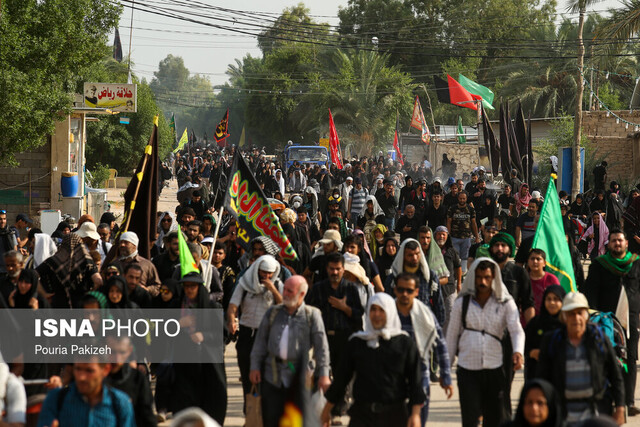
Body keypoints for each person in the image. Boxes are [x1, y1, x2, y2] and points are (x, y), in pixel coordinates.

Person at [321, 293, 425, 427]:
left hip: (395, 416)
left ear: (390, 312)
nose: (376, 314)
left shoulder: (405, 343)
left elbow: (415, 382)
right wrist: (326, 411)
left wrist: (415, 414)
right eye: (373, 309)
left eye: (381, 310)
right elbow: (341, 380)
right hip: (362, 416)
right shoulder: (357, 342)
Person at [446, 258, 525, 427]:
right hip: (468, 370)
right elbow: (452, 336)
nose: (482, 282)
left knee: (495, 418)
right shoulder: (462, 303)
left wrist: (518, 352)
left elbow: (516, 330)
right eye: (479, 277)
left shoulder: (505, 303)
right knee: (470, 418)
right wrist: (446, 370)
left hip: (495, 369)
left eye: (487, 277)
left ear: (494, 278)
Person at [250, 275, 331, 427]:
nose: (285, 293)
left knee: (297, 420)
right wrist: (254, 366)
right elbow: (260, 343)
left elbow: (322, 348)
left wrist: (324, 375)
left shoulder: (312, 315)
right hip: (272, 375)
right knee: (272, 419)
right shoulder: (273, 313)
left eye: (290, 291)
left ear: (301, 294)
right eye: (284, 290)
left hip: (300, 378)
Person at [537, 292, 625, 423]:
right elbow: (542, 378)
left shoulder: (599, 339)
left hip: (595, 412)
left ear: (586, 315)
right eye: (571, 314)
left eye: (580, 313)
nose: (576, 318)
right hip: (563, 413)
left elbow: (615, 375)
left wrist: (620, 408)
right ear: (564, 317)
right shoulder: (552, 341)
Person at [583, 229, 640, 415]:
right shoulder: (599, 265)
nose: (617, 243)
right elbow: (590, 292)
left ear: (626, 244)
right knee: (606, 357)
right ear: (608, 245)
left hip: (630, 320)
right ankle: (607, 399)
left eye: (620, 240)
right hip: (605, 320)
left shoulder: (636, 263)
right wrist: (592, 317)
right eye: (614, 241)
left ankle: (628, 401)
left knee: (630, 358)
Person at [394, 273, 453, 424]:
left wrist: (445, 374)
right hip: (393, 381)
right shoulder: (387, 313)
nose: (405, 294)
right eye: (401, 290)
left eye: (409, 290)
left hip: (421, 379)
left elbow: (440, 344)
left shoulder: (425, 315)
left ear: (417, 292)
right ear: (395, 290)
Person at [227, 255, 283, 412]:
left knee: (266, 380)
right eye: (263, 272)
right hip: (247, 335)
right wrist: (232, 320)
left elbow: (284, 307)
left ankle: (264, 416)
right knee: (247, 379)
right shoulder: (245, 284)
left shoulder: (277, 285)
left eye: (269, 273)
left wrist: (272, 289)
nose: (266, 276)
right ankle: (250, 415)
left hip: (268, 337)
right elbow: (233, 306)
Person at [170, 272, 227, 425]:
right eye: (186, 286)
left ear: (199, 287)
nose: (189, 290)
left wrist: (205, 336)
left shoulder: (211, 307)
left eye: (193, 286)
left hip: (208, 364)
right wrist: (179, 324)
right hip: (184, 363)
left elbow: (223, 334)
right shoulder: (176, 306)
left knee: (211, 402)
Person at [37, 358, 136, 427]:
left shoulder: (120, 403)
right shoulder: (56, 399)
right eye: (78, 369)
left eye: (89, 371)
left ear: (105, 370)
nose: (81, 377)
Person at [37, 234, 102, 308]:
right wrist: (89, 294)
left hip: (58, 306)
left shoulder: (53, 261)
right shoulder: (87, 261)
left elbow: (33, 275)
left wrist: (44, 294)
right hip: (80, 306)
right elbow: (98, 282)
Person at [105, 336, 157, 427]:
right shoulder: (93, 376)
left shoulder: (137, 379)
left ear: (129, 351)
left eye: (122, 352)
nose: (117, 359)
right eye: (112, 352)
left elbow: (147, 416)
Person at [524, 285, 566, 381]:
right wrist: (532, 353)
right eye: (548, 299)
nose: (552, 302)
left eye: (556, 299)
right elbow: (524, 344)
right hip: (537, 373)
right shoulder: (535, 323)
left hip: (561, 376)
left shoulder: (567, 324)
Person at [434, 226, 462, 332]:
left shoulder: (452, 251)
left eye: (443, 234)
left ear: (447, 236)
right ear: (435, 235)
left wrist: (459, 284)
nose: (441, 236)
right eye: (439, 234)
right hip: (434, 287)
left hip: (450, 288)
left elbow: (458, 268)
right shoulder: (431, 250)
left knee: (450, 313)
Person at [447, 191, 479, 273]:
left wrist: (477, 236)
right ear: (458, 198)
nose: (462, 200)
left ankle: (463, 273)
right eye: (460, 198)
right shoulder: (452, 208)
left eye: (463, 199)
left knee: (465, 257)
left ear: (466, 199)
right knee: (455, 256)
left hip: (466, 237)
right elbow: (449, 222)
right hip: (454, 237)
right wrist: (448, 235)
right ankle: (455, 273)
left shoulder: (471, 209)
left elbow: (473, 223)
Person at [526, 249, 560, 314]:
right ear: (528, 262)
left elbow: (558, 300)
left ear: (544, 263)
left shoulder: (551, 279)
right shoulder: (523, 278)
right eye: (532, 259)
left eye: (538, 259)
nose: (535, 261)